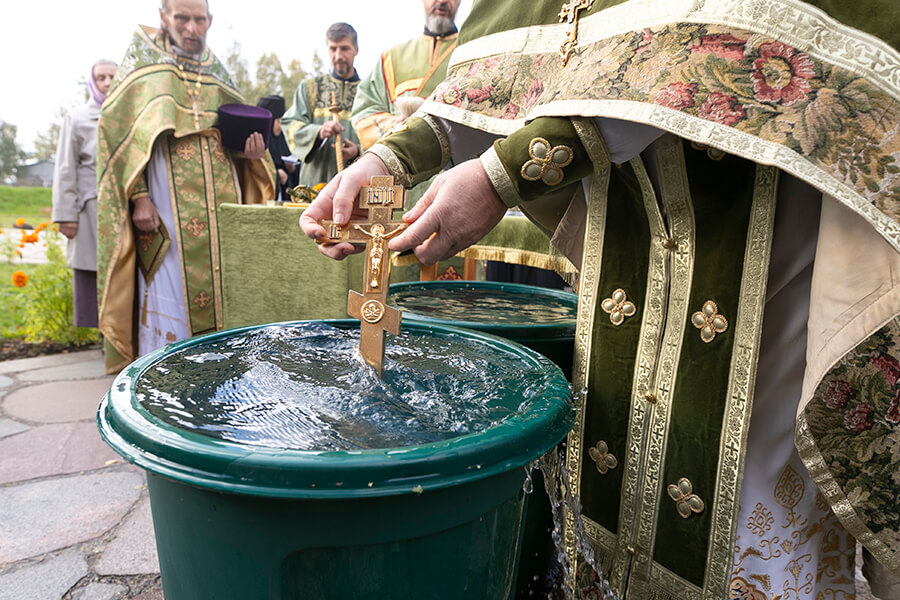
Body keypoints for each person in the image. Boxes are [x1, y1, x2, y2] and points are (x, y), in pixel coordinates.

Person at [302, 1, 900, 598]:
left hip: (761, 234)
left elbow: (705, 51)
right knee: (615, 468)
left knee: (742, 486)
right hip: (625, 247)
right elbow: (504, 73)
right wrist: (389, 159)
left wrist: (501, 176)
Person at [97, 0, 275, 374]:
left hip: (221, 207)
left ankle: (219, 376)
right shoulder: (144, 71)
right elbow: (120, 141)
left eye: (199, 20)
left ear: (210, 20)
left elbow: (236, 139)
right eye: (182, 19)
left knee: (224, 288)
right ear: (164, 18)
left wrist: (250, 154)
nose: (192, 29)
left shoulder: (217, 73)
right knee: (170, 289)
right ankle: (162, 379)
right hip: (165, 202)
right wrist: (139, 197)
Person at [51, 58, 117, 329]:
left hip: (124, 207)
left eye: (113, 77)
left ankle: (121, 334)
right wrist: (66, 216)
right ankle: (99, 336)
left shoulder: (131, 117)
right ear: (92, 82)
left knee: (123, 274)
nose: (107, 83)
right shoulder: (77, 118)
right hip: (90, 209)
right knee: (92, 272)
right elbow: (66, 168)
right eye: (101, 77)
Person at [350, 0, 460, 152]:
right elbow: (364, 110)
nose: (442, 1)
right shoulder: (391, 57)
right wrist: (395, 126)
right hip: (400, 162)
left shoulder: (473, 52)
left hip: (455, 169)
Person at [281, 23, 361, 188]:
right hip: (314, 185)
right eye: (333, 49)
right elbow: (290, 126)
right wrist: (318, 132)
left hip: (357, 186)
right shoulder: (310, 87)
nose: (338, 55)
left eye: (344, 48)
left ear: (356, 49)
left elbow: (382, 136)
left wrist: (358, 152)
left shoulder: (367, 91)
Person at [256, 94, 298, 201]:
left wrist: (293, 169)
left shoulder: (282, 139)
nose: (281, 126)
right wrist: (276, 175)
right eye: (279, 121)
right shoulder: (257, 142)